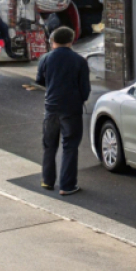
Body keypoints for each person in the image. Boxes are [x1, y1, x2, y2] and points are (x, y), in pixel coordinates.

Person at [35, 26, 91, 196]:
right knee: (70, 146)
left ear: (53, 41)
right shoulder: (79, 61)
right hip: (71, 110)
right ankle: (67, 186)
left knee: (49, 145)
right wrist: (79, 99)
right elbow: (85, 90)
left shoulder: (45, 59)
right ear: (71, 41)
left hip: (51, 109)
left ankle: (47, 181)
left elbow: (40, 80)